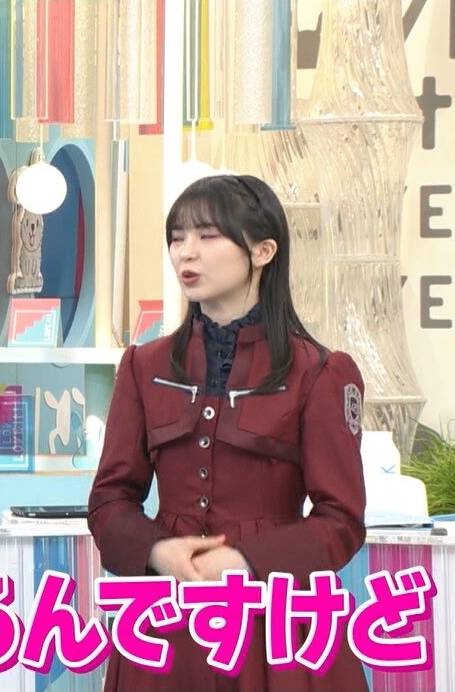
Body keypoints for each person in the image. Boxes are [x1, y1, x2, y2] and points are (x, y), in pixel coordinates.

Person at [88, 173, 368, 691]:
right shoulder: (143, 365)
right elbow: (109, 501)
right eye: (177, 237)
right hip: (166, 622)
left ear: (262, 251)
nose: (186, 253)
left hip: (276, 624)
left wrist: (245, 561)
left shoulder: (320, 372)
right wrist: (157, 552)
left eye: (208, 236)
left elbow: (342, 520)